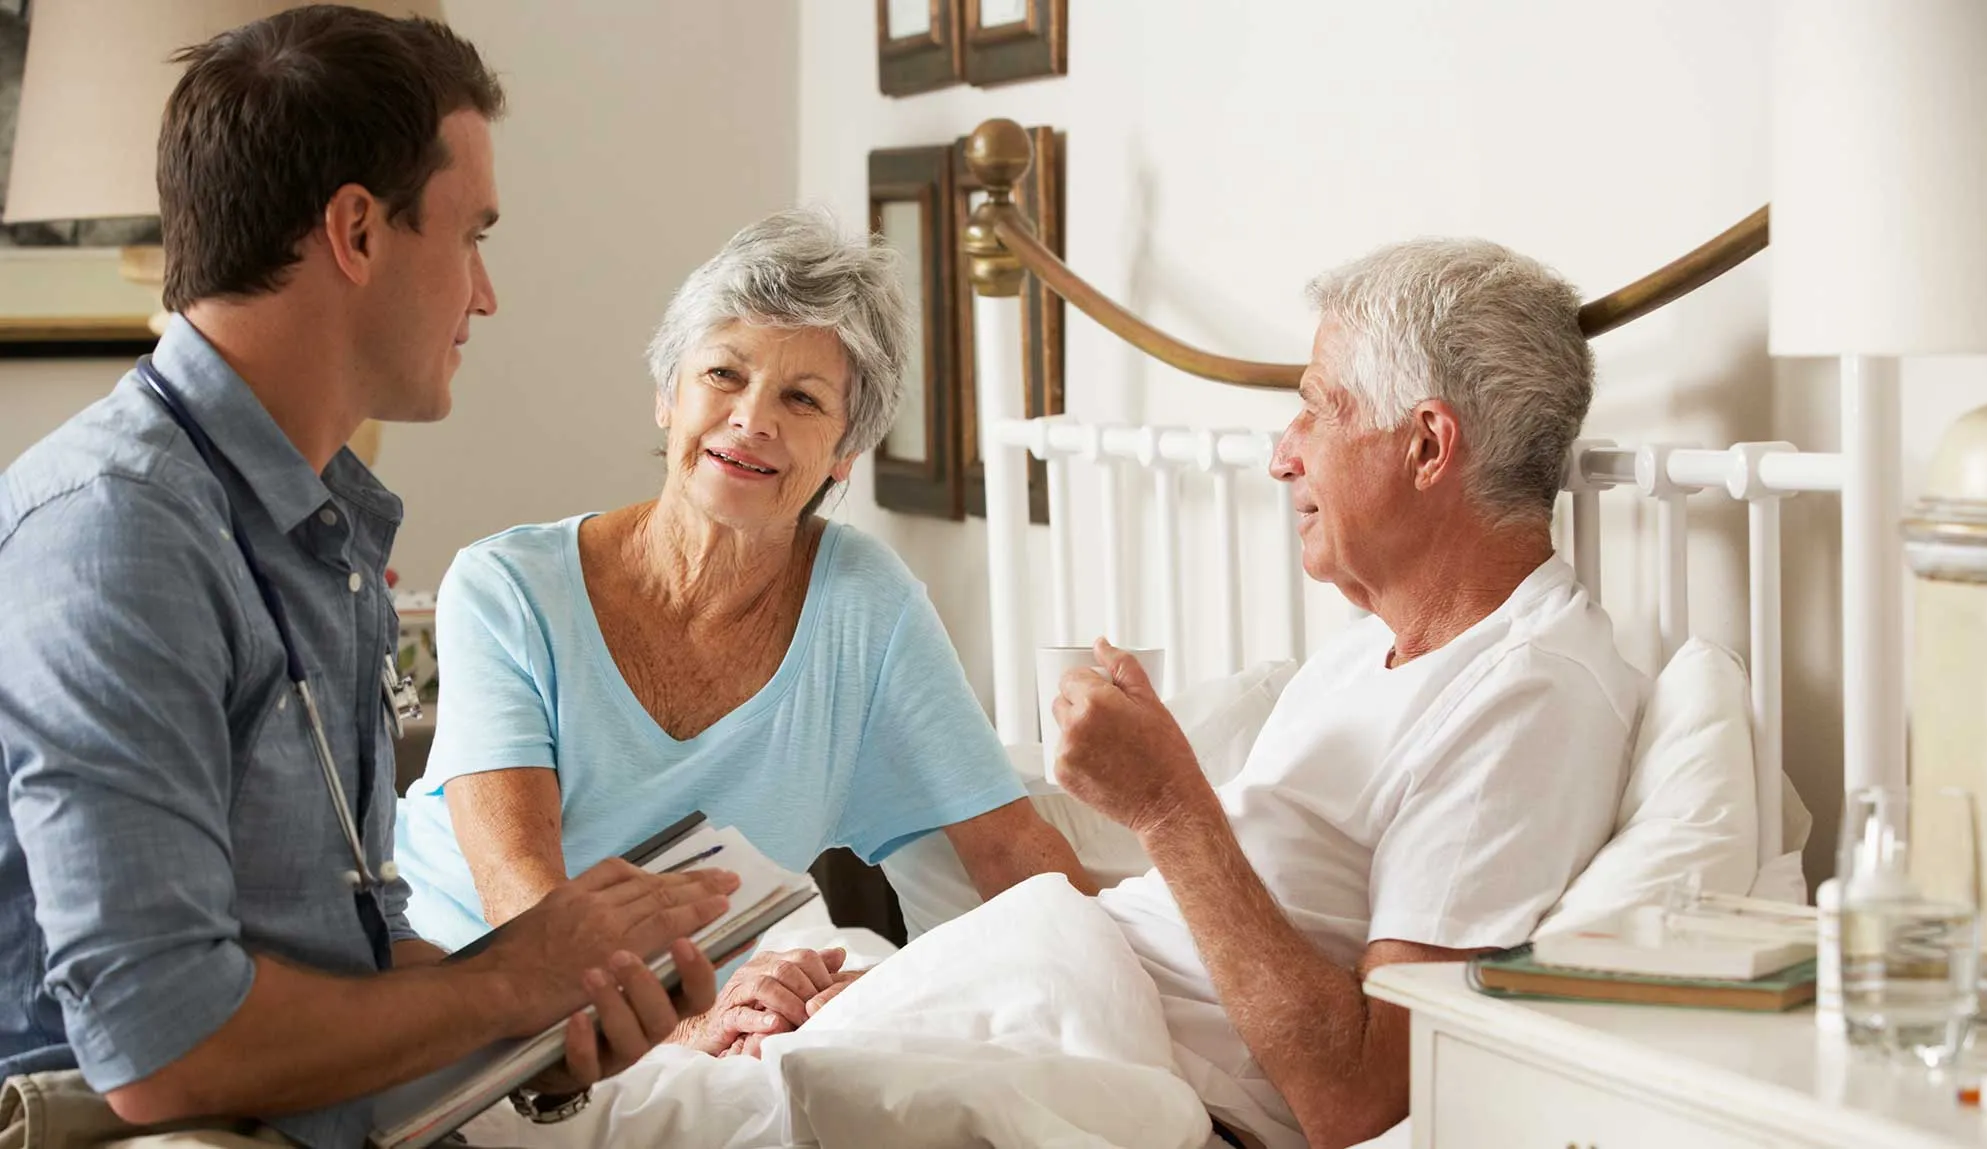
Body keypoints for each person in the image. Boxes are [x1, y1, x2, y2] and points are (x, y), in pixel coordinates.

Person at [0, 9, 734, 1147]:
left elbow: (352, 947)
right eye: (471, 235)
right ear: (355, 231)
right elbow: (161, 1045)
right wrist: (509, 980)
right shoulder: (117, 536)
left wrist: (549, 1024)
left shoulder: (318, 530)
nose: (483, 296)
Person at [392, 210, 1093, 1034]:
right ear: (666, 395)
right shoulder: (506, 588)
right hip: (473, 1003)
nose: (753, 418)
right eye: (724, 374)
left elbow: (1013, 854)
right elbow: (524, 909)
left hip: (715, 1012)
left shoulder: (867, 604)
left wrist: (1127, 992)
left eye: (801, 398)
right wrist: (688, 1033)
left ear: (844, 453)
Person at [1048, 239, 1648, 1148]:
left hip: (1110, 1084)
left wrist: (1168, 806)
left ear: (1428, 445)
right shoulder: (1361, 653)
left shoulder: (1530, 697)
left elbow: (1366, 1100)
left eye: (1318, 410)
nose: (1281, 457)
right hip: (1041, 1014)